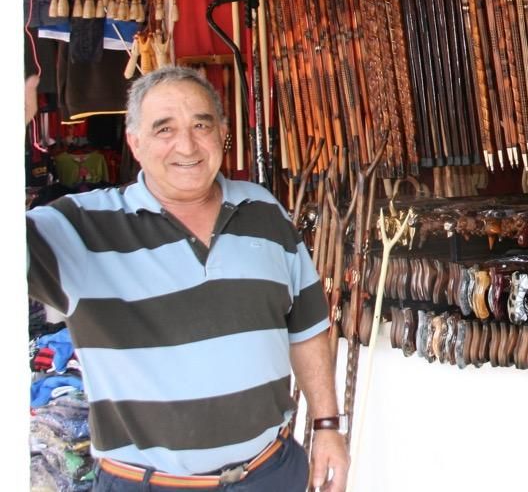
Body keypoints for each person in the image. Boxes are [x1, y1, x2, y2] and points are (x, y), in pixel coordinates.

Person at [26, 65, 350, 491]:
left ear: (222, 132)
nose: (187, 145)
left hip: (271, 472)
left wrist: (327, 425)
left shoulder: (263, 208)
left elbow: (306, 328)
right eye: (164, 129)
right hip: (149, 484)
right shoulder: (77, 228)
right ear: (134, 142)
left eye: (201, 124)